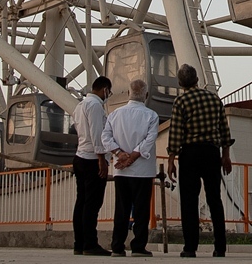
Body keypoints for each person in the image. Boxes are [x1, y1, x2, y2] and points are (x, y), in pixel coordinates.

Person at [167, 64, 233, 258]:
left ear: (180, 82)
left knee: (189, 200)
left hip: (190, 153)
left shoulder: (181, 101)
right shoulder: (214, 98)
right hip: (212, 152)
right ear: (197, 79)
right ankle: (220, 247)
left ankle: (190, 247)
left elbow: (176, 133)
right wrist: (225, 155)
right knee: (215, 199)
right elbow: (224, 130)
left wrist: (171, 159)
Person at [103, 78, 160, 257]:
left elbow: (105, 137)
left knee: (122, 208)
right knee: (142, 210)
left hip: (121, 171)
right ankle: (138, 246)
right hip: (143, 171)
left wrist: (120, 154)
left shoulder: (114, 114)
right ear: (146, 95)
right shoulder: (151, 115)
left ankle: (118, 246)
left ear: (129, 94)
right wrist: (134, 155)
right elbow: (149, 140)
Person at [73, 75, 113, 256]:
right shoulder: (96, 106)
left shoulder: (80, 105)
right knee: (92, 203)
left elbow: (78, 128)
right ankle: (90, 243)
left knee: (81, 202)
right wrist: (101, 159)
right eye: (108, 92)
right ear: (104, 89)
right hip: (92, 159)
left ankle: (79, 243)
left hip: (80, 156)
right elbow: (97, 133)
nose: (108, 96)